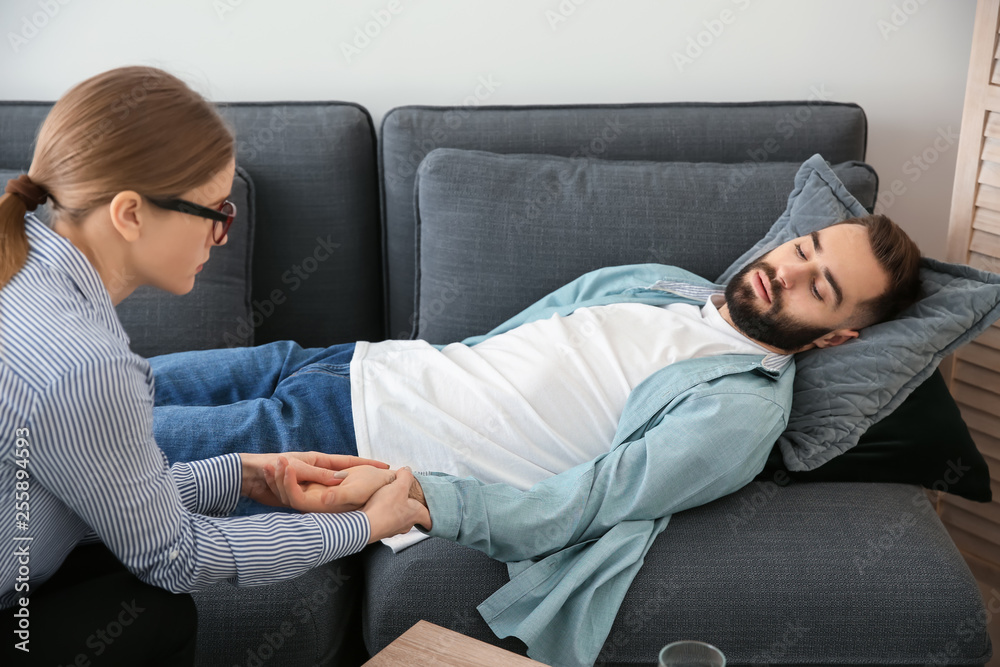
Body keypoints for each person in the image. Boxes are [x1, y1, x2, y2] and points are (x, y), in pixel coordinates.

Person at [151, 211, 922, 664]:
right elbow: (502, 343)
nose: (784, 271)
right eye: (804, 248)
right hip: (348, 363)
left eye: (818, 286)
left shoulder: (739, 413)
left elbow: (584, 503)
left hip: (343, 437)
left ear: (836, 338)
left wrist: (421, 497)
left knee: (84, 448)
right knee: (99, 383)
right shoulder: (661, 281)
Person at [0, 66, 426, 667]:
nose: (222, 234)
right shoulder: (85, 365)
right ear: (130, 214)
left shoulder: (29, 278)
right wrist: (363, 526)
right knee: (151, 616)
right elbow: (175, 557)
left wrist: (246, 475)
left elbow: (84, 499)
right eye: (213, 212)